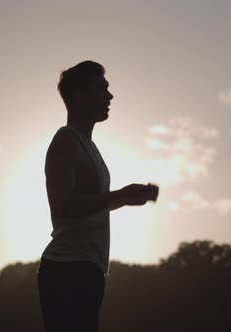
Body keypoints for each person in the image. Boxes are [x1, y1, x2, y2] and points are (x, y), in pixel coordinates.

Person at [37, 60, 159, 332]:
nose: (110, 95)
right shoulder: (66, 140)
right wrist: (120, 195)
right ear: (80, 94)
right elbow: (64, 206)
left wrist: (126, 198)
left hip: (87, 269)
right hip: (67, 270)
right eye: (102, 88)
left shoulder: (88, 146)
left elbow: (89, 206)